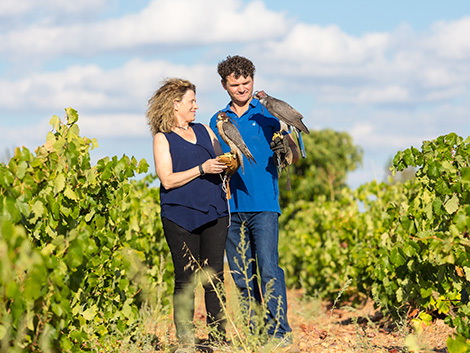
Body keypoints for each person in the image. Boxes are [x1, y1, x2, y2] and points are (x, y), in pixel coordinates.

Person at [209, 55, 300, 347]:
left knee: (269, 269)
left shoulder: (269, 113)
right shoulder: (217, 120)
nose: (242, 88)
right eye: (235, 84)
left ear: (253, 80)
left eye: (246, 82)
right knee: (241, 275)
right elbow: (213, 158)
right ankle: (256, 332)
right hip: (231, 207)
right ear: (225, 85)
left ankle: (279, 334)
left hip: (265, 205)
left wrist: (285, 146)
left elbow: (295, 156)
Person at [146, 78, 229, 351]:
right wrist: (202, 169)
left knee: (214, 278)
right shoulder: (162, 138)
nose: (196, 106)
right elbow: (167, 179)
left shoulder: (205, 129)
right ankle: (186, 343)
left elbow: (223, 160)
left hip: (215, 212)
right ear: (175, 104)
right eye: (191, 101)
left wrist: (231, 162)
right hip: (180, 216)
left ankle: (219, 340)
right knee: (185, 279)